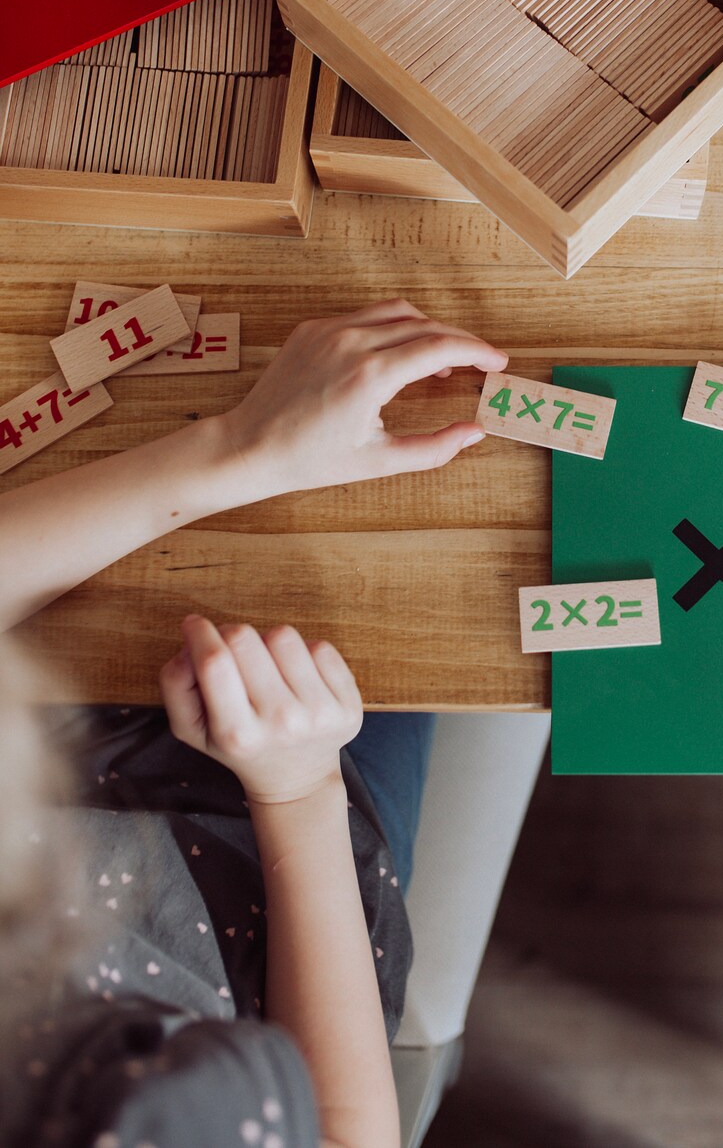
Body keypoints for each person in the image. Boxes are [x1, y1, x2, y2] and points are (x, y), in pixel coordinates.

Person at [0, 299, 509, 1148]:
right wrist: (303, 790)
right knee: (427, 585)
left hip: (82, 747)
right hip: (289, 869)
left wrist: (239, 448)